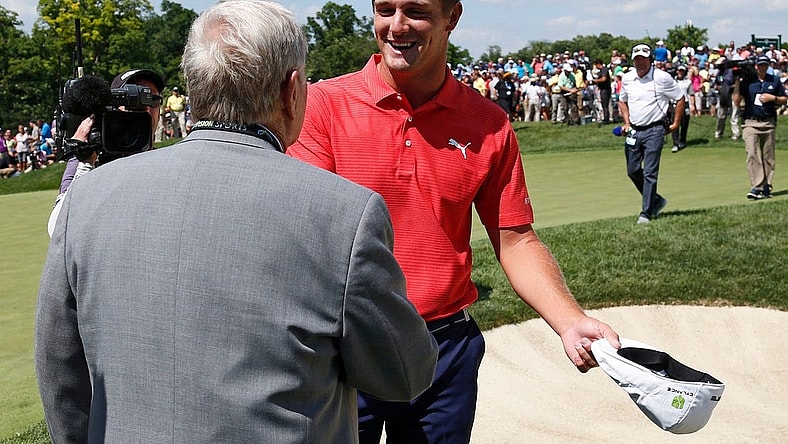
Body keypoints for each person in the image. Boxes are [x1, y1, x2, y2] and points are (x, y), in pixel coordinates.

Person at [35, 2, 439, 443]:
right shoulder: (344, 213)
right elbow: (404, 374)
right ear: (292, 89)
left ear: (195, 88)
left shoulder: (86, 198)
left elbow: (61, 374)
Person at [287, 1, 621, 443]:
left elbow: (516, 240)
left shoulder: (488, 123)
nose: (396, 26)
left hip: (444, 350)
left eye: (416, 11)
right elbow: (307, 237)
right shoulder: (322, 107)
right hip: (344, 347)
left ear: (452, 17)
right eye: (384, 9)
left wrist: (570, 319)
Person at [47, 68, 165, 237]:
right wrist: (85, 164)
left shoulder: (165, 162)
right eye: (135, 100)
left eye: (153, 100)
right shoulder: (88, 158)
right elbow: (57, 229)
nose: (146, 108)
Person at [618, 43, 685, 224]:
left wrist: (676, 123)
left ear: (650, 59)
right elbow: (622, 101)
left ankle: (646, 212)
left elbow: (680, 98)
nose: (640, 62)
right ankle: (656, 200)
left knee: (650, 172)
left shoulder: (662, 78)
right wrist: (627, 121)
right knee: (632, 170)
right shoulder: (628, 78)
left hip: (655, 130)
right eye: (637, 59)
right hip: (634, 130)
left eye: (643, 59)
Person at [734, 55, 787, 199]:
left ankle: (766, 186)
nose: (762, 67)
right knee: (752, 153)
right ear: (755, 66)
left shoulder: (774, 80)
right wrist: (737, 82)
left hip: (768, 122)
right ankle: (756, 186)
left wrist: (773, 98)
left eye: (765, 65)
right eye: (760, 65)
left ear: (768, 65)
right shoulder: (748, 82)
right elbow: (737, 101)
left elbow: (783, 99)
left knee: (768, 156)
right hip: (750, 122)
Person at [671, 65, 693, 152]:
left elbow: (691, 94)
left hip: (685, 104)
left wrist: (693, 105)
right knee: (675, 124)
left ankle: (682, 141)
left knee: (684, 124)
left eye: (682, 71)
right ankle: (675, 143)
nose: (680, 72)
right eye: (679, 71)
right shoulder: (672, 81)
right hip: (674, 104)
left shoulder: (688, 82)